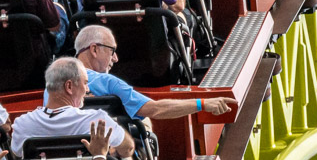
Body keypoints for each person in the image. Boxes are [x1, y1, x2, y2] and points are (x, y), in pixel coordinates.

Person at [72, 25, 231, 121]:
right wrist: (201, 103)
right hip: (111, 157)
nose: (116, 58)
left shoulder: (53, 82)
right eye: (112, 50)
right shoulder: (108, 82)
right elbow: (155, 109)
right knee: (145, 124)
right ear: (94, 49)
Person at [12, 57, 135, 159]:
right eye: (85, 83)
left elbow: (17, 154)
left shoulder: (22, 124)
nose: (87, 90)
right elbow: (128, 149)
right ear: (69, 86)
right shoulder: (97, 120)